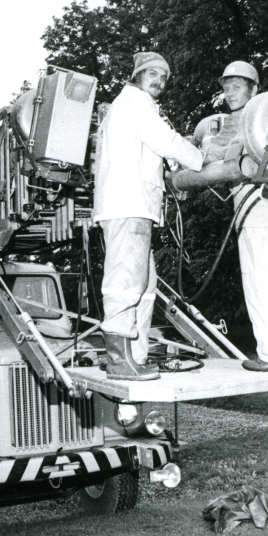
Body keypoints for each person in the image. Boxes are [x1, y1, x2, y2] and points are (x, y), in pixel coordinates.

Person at [94, 52, 205, 381]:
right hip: (127, 204)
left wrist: (178, 163)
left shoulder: (138, 107)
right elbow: (164, 140)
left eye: (164, 77)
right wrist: (200, 158)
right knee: (127, 282)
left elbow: (158, 148)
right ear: (137, 75)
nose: (159, 80)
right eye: (153, 73)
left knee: (144, 287)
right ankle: (119, 360)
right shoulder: (133, 102)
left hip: (136, 205)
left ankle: (136, 357)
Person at [193, 61, 268, 372]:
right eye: (226, 87)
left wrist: (200, 140)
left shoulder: (241, 118)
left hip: (256, 210)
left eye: (237, 86)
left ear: (254, 89)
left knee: (260, 281)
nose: (229, 92)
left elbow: (208, 157)